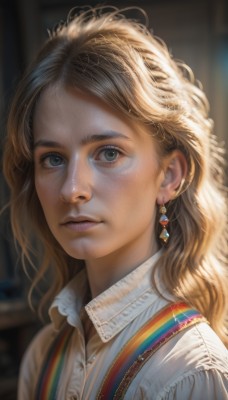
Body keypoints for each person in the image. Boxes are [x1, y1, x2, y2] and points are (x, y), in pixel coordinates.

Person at [3, 6, 228, 400]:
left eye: (108, 153)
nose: (72, 189)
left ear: (170, 175)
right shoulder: (42, 357)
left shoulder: (189, 373)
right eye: (52, 158)